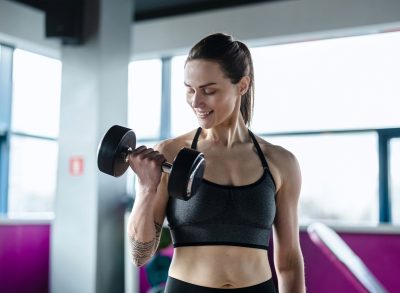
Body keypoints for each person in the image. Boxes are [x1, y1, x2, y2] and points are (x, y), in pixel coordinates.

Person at [127, 33, 306, 292]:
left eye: (209, 91)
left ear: (242, 85)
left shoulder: (280, 162)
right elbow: (139, 254)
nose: (196, 102)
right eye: (190, 90)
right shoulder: (172, 152)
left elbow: (289, 262)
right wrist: (146, 188)